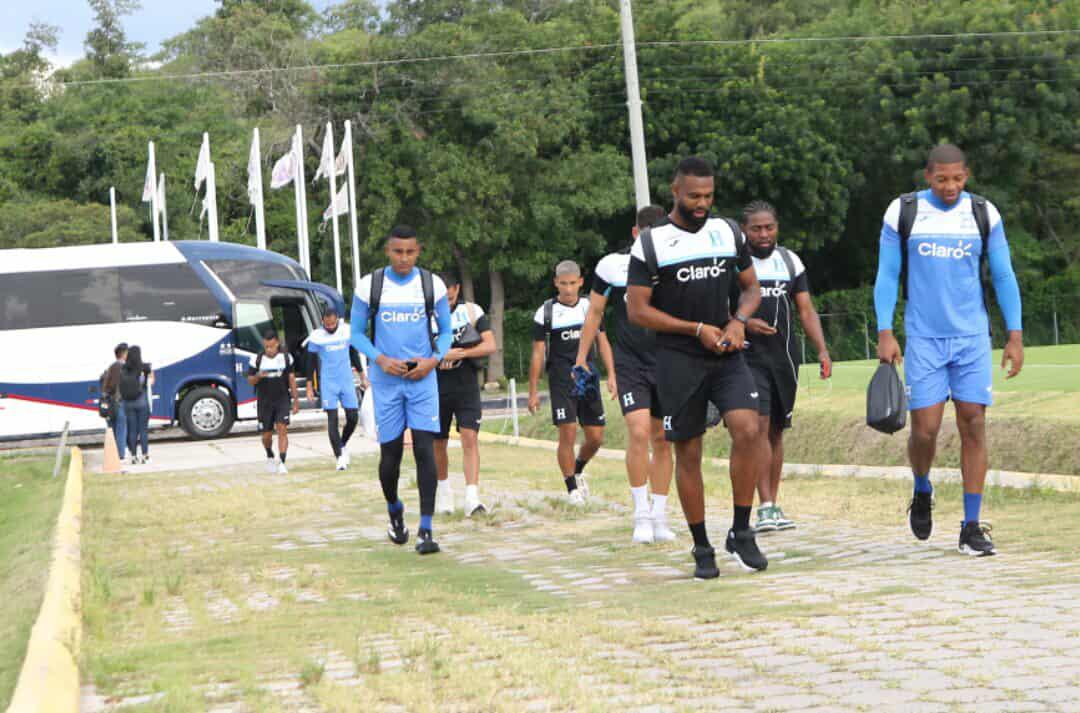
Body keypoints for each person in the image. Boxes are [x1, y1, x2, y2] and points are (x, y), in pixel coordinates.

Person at [874, 143, 1023, 557]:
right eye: (942, 179)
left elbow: (1005, 275)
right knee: (925, 429)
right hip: (923, 338)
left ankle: (971, 526)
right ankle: (922, 488)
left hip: (972, 337)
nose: (950, 187)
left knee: (974, 423)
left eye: (958, 179)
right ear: (928, 177)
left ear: (967, 175)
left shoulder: (983, 213)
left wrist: (1015, 334)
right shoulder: (902, 212)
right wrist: (885, 331)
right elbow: (887, 275)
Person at [626, 156, 769, 579]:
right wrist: (695, 329)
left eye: (708, 195)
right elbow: (638, 311)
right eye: (694, 196)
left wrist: (737, 321)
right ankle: (702, 545)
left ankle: (741, 531)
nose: (702, 203)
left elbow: (751, 289)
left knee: (748, 428)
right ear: (675, 192)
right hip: (676, 360)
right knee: (688, 452)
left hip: (726, 353)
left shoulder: (727, 232)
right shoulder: (651, 243)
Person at [350, 225, 453, 555]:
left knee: (425, 449)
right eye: (398, 252)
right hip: (387, 382)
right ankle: (395, 510)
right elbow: (355, 333)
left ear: (418, 251)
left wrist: (433, 361)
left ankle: (426, 529)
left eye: (410, 252)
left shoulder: (430, 284)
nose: (404, 258)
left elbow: (447, 332)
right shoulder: (371, 285)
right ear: (388, 251)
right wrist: (379, 359)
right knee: (390, 458)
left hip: (423, 380)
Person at [576, 205, 676, 543]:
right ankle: (641, 515)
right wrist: (581, 358)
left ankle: (660, 515)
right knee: (637, 432)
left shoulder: (674, 264)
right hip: (630, 361)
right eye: (645, 235)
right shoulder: (611, 266)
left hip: (667, 359)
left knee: (662, 438)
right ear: (635, 233)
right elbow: (594, 312)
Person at [739, 201, 832, 533]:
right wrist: (744, 323)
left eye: (769, 227)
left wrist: (822, 349)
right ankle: (763, 506)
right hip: (748, 357)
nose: (764, 235)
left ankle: (774, 505)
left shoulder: (790, 261)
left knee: (776, 431)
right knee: (759, 427)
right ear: (744, 231)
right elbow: (720, 307)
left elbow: (805, 310)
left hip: (784, 358)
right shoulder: (736, 263)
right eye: (756, 229)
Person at [528, 260, 615, 506]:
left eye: (572, 284)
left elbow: (603, 342)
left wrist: (612, 375)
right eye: (563, 284)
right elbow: (537, 354)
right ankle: (571, 489)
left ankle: (577, 469)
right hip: (561, 380)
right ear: (556, 283)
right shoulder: (545, 312)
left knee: (596, 437)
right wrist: (532, 391)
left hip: (587, 377)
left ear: (580, 282)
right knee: (568, 432)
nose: (568, 289)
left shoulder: (590, 307)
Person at [433, 273, 497, 517]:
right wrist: (439, 356)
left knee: (469, 437)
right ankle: (445, 494)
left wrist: (459, 354)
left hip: (467, 385)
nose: (447, 294)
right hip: (437, 387)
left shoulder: (472, 311)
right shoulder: (425, 316)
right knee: (439, 443)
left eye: (450, 289)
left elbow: (489, 345)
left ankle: (472, 497)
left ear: (457, 288)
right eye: (442, 290)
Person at [304, 305, 365, 471]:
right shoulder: (317, 336)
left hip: (346, 380)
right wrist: (309, 386)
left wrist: (362, 376)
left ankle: (342, 444)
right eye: (327, 324)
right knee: (332, 420)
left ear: (337, 320)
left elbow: (353, 354)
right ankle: (339, 458)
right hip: (328, 382)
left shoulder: (347, 331)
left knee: (353, 417)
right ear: (322, 321)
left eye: (333, 324)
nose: (330, 327)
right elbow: (310, 363)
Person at [248, 330, 300, 474]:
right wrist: (258, 375)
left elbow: (291, 379)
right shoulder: (257, 359)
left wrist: (296, 400)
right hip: (265, 401)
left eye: (271, 346)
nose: (269, 350)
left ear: (277, 343)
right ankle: (270, 454)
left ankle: (282, 462)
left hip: (282, 399)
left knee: (282, 429)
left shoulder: (286, 358)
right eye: (266, 347)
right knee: (266, 435)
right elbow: (250, 380)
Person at [118, 345, 153, 466]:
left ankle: (133, 456)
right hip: (142, 402)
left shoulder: (123, 369)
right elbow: (151, 381)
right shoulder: (145, 367)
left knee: (132, 430)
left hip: (128, 403)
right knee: (143, 430)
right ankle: (145, 456)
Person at [100, 342, 129, 461]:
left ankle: (114, 454)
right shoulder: (125, 368)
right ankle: (121, 455)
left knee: (112, 429)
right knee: (121, 429)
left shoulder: (110, 368)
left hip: (110, 403)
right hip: (121, 402)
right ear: (124, 354)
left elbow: (104, 385)